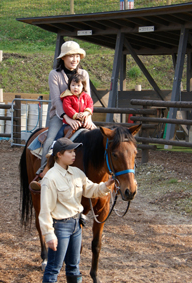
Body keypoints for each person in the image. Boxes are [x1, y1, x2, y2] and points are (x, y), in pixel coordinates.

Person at [39, 138, 115, 283]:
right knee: (54, 268)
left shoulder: (77, 173)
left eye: (74, 151)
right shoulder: (50, 178)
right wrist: (49, 235)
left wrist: (107, 184)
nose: (74, 154)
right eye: (70, 152)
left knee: (74, 266)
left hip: (76, 225)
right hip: (60, 227)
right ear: (59, 155)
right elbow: (45, 211)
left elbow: (92, 189)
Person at [34, 41, 94, 181]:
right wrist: (67, 118)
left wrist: (88, 116)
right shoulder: (54, 74)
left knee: (99, 137)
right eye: (71, 56)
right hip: (59, 115)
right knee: (50, 140)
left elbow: (88, 98)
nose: (75, 59)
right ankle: (43, 173)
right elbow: (56, 100)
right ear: (63, 58)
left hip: (82, 115)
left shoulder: (83, 74)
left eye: (77, 56)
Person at [55, 73, 95, 140]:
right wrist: (76, 115)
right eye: (73, 85)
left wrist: (86, 113)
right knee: (60, 133)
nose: (75, 87)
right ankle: (55, 144)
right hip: (70, 122)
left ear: (83, 87)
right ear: (69, 86)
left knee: (96, 132)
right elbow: (67, 108)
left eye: (78, 85)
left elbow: (90, 105)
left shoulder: (86, 97)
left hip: (84, 122)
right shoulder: (67, 98)